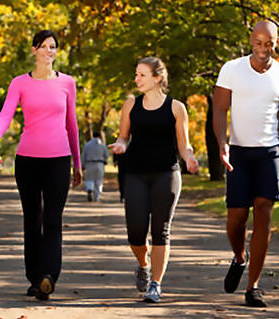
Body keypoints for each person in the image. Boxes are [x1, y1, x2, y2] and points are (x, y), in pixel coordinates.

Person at [0, 30, 82, 301]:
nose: (50, 51)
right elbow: (5, 114)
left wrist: (77, 162)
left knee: (53, 219)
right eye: (45, 46)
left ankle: (49, 276)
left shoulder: (67, 83)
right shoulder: (19, 83)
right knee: (32, 218)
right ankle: (35, 277)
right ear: (34, 49)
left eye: (54, 47)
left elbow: (71, 125)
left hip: (59, 160)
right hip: (27, 160)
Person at [212, 20, 279, 307]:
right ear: (251, 40)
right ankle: (239, 257)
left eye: (269, 44)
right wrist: (222, 144)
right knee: (236, 218)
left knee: (264, 213)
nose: (263, 49)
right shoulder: (231, 69)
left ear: (275, 43)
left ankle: (253, 286)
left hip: (270, 153)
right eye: (258, 43)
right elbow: (220, 109)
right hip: (238, 151)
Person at [109, 56, 199, 303]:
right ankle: (143, 263)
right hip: (136, 174)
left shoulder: (176, 108)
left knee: (161, 230)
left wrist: (189, 159)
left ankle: (156, 285)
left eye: (142, 75)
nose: (136, 79)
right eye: (136, 74)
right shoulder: (131, 105)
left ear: (157, 78)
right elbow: (124, 137)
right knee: (135, 233)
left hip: (167, 174)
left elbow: (184, 144)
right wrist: (120, 144)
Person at [81, 132, 109, 202]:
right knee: (98, 180)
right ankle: (97, 196)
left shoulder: (87, 145)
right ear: (99, 136)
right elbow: (107, 155)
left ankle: (89, 189)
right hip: (100, 163)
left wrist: (82, 165)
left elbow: (83, 155)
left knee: (89, 179)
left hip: (89, 163)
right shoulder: (102, 145)